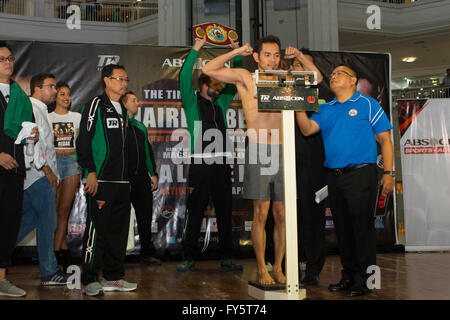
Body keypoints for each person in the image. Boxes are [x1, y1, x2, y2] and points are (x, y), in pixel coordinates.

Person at [295, 64, 395, 297]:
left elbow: (385, 139)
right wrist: (296, 107)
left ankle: (365, 280)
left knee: (362, 228)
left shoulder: (367, 104)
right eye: (332, 75)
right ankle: (349, 275)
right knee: (343, 230)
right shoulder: (327, 108)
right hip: (334, 175)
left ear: (353, 80)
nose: (333, 77)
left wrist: (389, 173)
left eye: (339, 73)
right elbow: (308, 129)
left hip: (361, 173)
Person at [203, 35, 289, 286]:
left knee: (282, 213)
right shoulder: (245, 77)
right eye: (267, 55)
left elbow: (316, 79)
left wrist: (302, 59)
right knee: (261, 212)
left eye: (276, 55)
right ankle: (262, 268)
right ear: (257, 57)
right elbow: (209, 69)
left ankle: (279, 267)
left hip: (284, 147)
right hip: (260, 146)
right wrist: (236, 51)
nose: (272, 60)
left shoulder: (286, 80)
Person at [177, 36, 243, 272]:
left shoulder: (222, 103)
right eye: (214, 84)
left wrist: (236, 54)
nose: (218, 88)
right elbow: (185, 76)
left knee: (225, 212)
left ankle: (227, 257)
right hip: (200, 165)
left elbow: (236, 81)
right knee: (195, 213)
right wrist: (197, 47)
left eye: (219, 85)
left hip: (222, 164)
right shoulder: (192, 102)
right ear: (203, 84)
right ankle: (187, 257)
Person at [76, 64, 136, 296]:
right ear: (107, 80)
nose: (123, 83)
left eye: (126, 79)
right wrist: (90, 170)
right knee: (96, 230)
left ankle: (113, 276)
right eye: (119, 79)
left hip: (122, 183)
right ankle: (90, 277)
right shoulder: (95, 105)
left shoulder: (123, 109)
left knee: (118, 233)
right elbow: (84, 140)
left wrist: (128, 178)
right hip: (100, 180)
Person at [16, 73, 70, 286]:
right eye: (51, 86)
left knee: (24, 224)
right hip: (38, 176)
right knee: (49, 223)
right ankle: (49, 272)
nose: (55, 91)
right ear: (37, 88)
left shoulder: (39, 109)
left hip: (33, 177)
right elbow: (31, 140)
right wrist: (47, 169)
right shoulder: (31, 107)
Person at [0, 40, 37, 297]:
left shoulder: (20, 95)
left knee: (8, 226)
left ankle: (1, 278)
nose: (8, 62)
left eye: (10, 58)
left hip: (15, 170)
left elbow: (25, 130)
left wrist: (31, 135)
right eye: (2, 58)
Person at [290, 47, 328, 287]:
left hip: (314, 166)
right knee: (284, 217)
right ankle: (286, 266)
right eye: (297, 64)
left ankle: (312, 269)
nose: (302, 68)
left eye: (307, 64)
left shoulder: (321, 93)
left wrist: (303, 59)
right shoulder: (281, 90)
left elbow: (318, 77)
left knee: (313, 219)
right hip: (286, 163)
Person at [121, 91, 160, 266]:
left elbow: (147, 152)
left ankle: (147, 253)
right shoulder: (118, 125)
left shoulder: (140, 126)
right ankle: (116, 254)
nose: (137, 103)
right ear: (124, 104)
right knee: (119, 218)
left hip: (142, 178)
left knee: (145, 217)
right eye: (133, 100)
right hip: (124, 178)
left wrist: (153, 174)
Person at [47, 82, 81, 272]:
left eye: (68, 94)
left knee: (64, 210)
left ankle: (54, 253)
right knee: (52, 213)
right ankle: (61, 251)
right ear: (55, 97)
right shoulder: (47, 116)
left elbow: (83, 143)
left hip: (71, 162)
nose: (66, 97)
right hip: (53, 164)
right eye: (62, 94)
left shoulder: (76, 117)